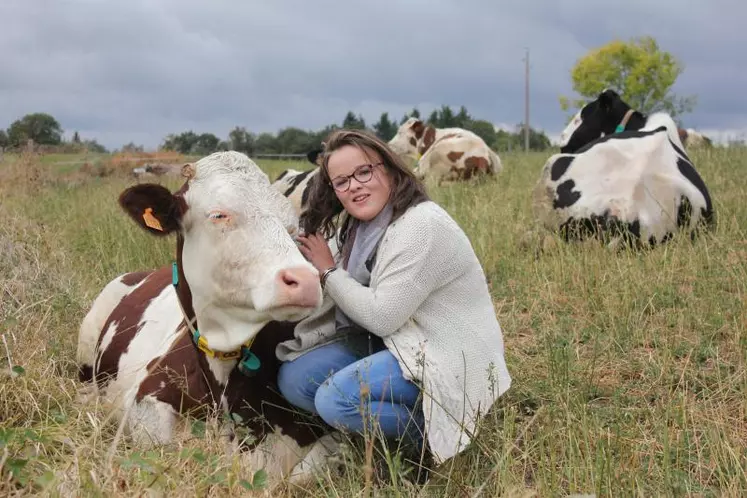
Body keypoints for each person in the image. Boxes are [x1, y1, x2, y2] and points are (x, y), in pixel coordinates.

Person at [275, 129, 512, 465]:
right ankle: (371, 424)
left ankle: (429, 436)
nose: (353, 185)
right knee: (295, 379)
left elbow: (382, 317)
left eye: (363, 172)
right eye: (341, 181)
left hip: (444, 351)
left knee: (334, 400)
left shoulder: (421, 226)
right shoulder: (357, 227)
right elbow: (324, 258)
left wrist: (329, 273)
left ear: (386, 167)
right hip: (398, 341)